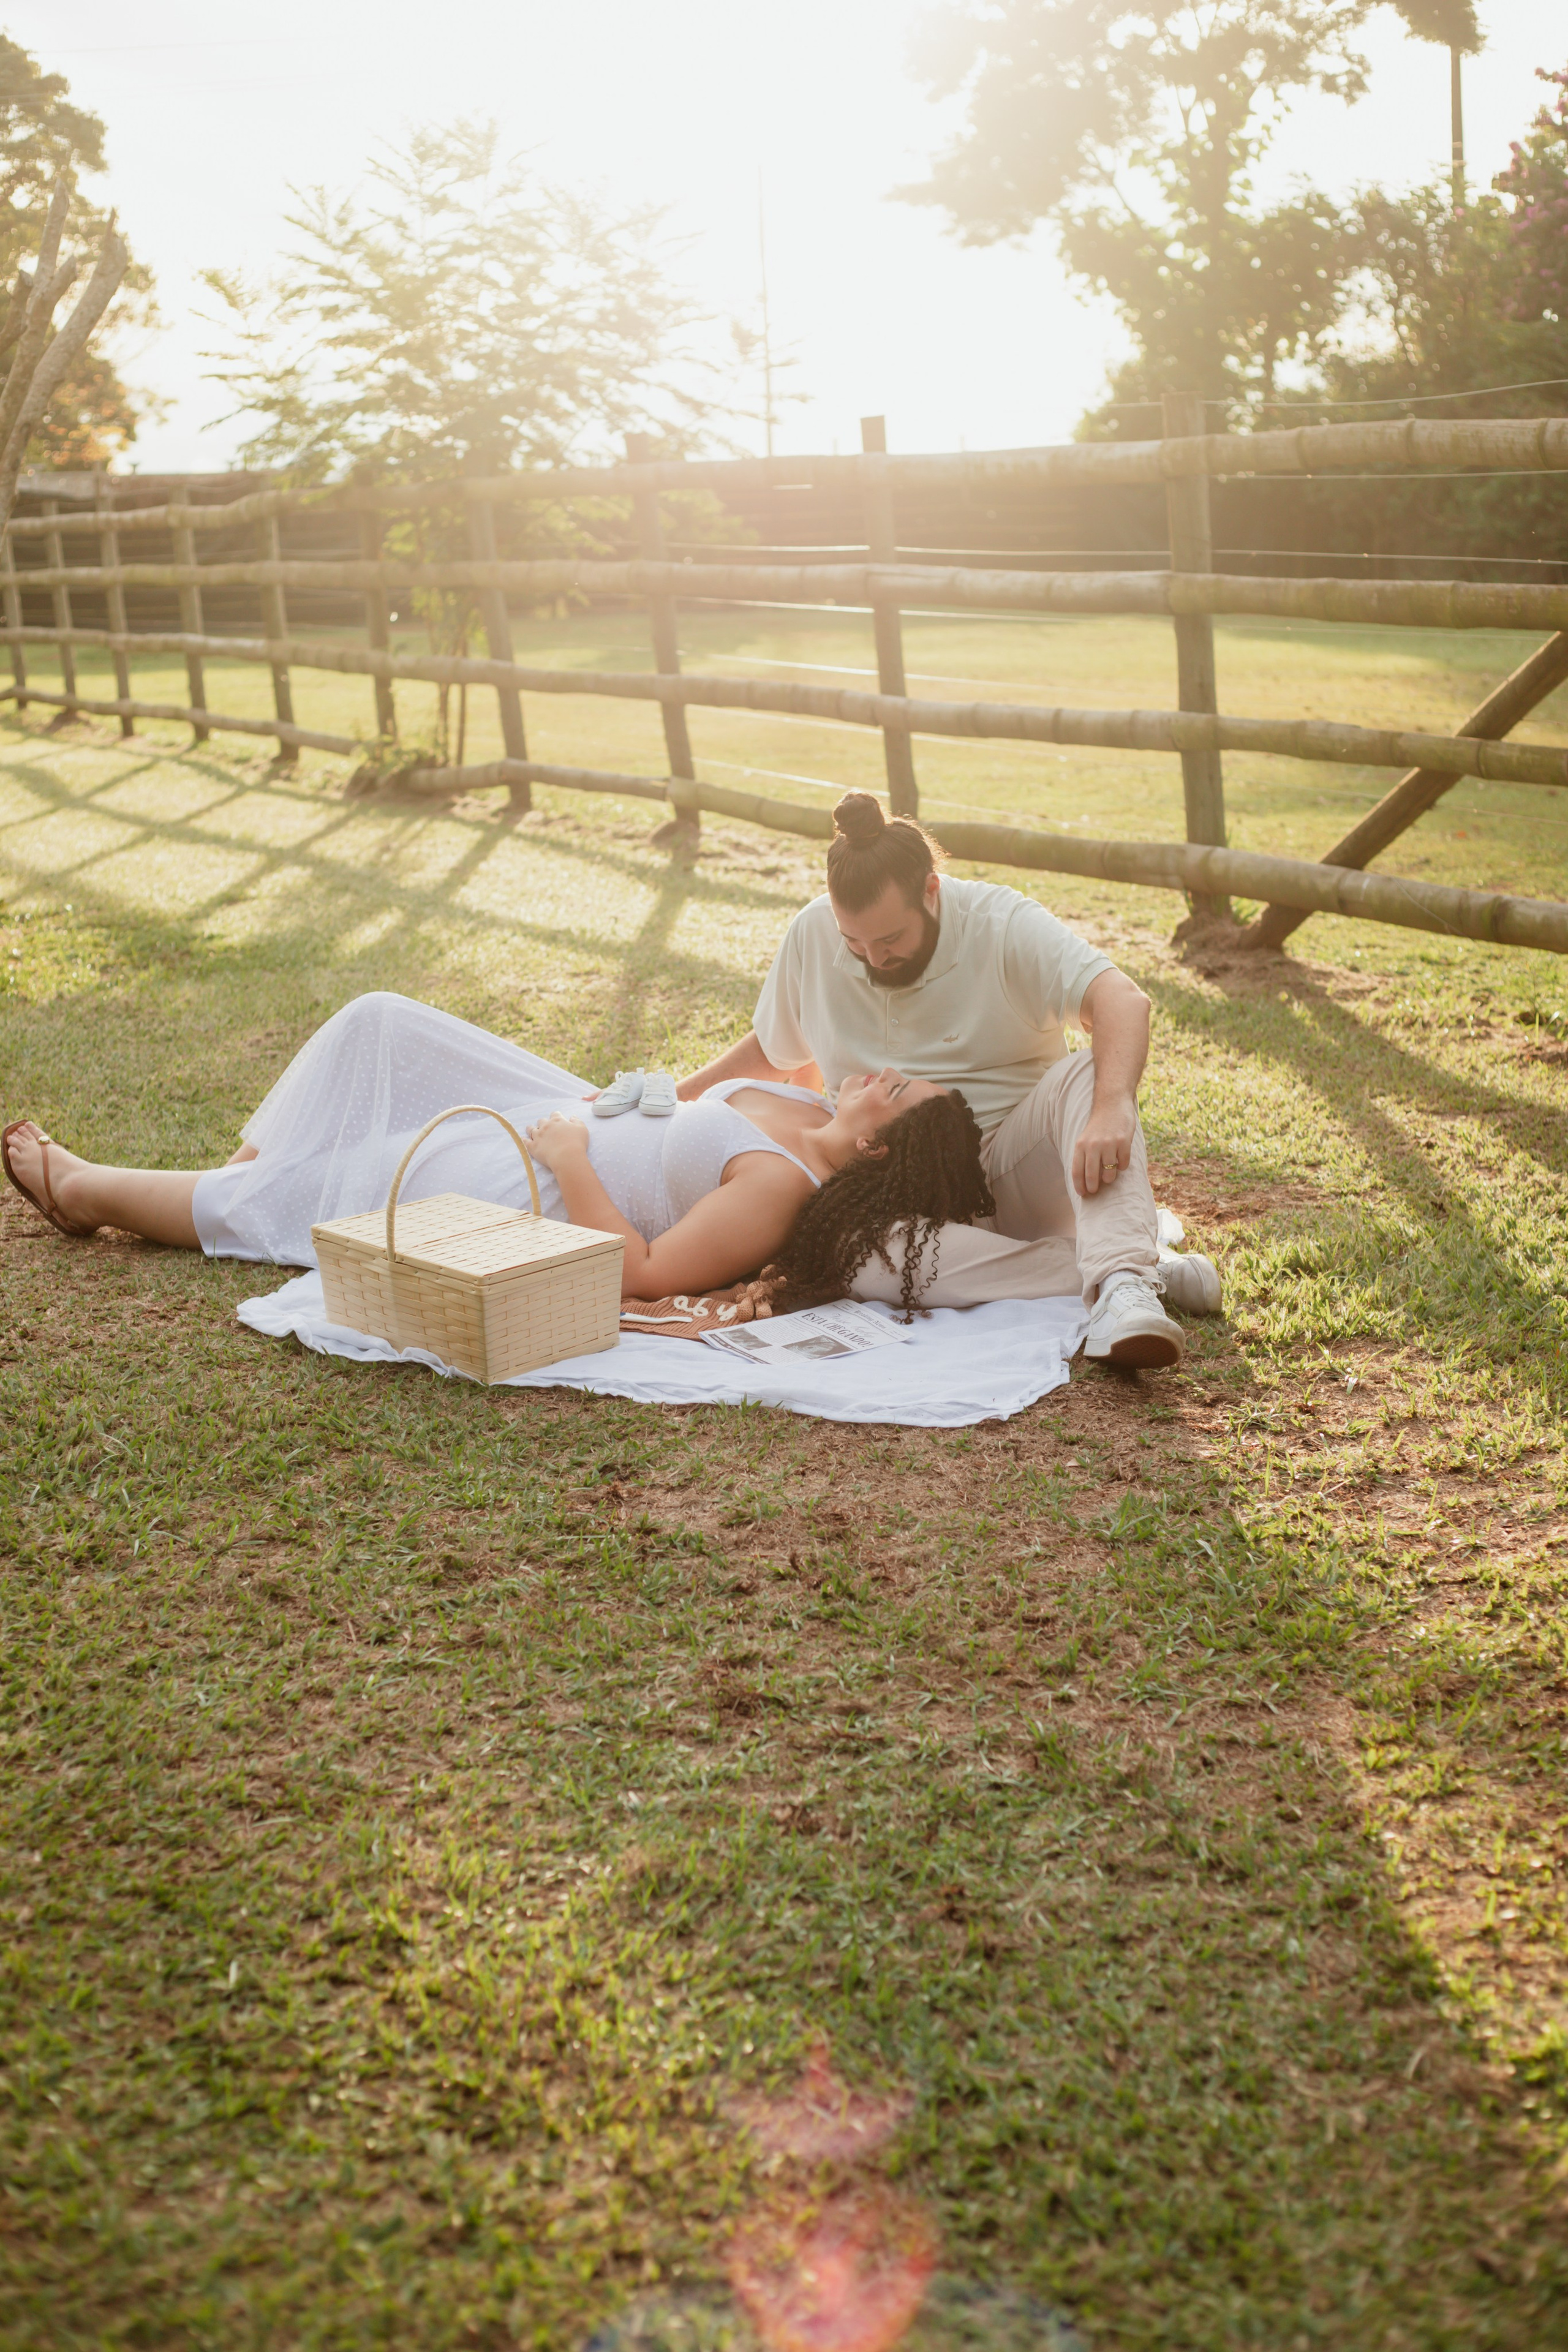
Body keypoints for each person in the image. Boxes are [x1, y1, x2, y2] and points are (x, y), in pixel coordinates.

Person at [1, 992, 993, 1314]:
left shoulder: (779, 1189)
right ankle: (243, 1168)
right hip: (558, 1110)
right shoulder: (803, 1098)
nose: (882, 1074)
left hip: (540, 1184)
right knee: (379, 1023)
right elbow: (783, 1026)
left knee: (317, 1195)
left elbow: (642, 1273)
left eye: (896, 1092)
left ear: (877, 1149)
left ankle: (85, 1191)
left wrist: (571, 1158)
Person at [676, 792, 1221, 1369]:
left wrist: (1112, 1107)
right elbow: (773, 1050)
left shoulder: (1001, 923)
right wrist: (672, 1098)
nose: (873, 959)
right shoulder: (813, 933)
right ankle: (1121, 1265)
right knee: (853, 1254)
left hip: (1014, 1170)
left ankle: (1126, 1290)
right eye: (854, 943)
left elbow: (1122, 1000)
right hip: (888, 1193)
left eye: (890, 940)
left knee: (1088, 1074)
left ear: (931, 891)